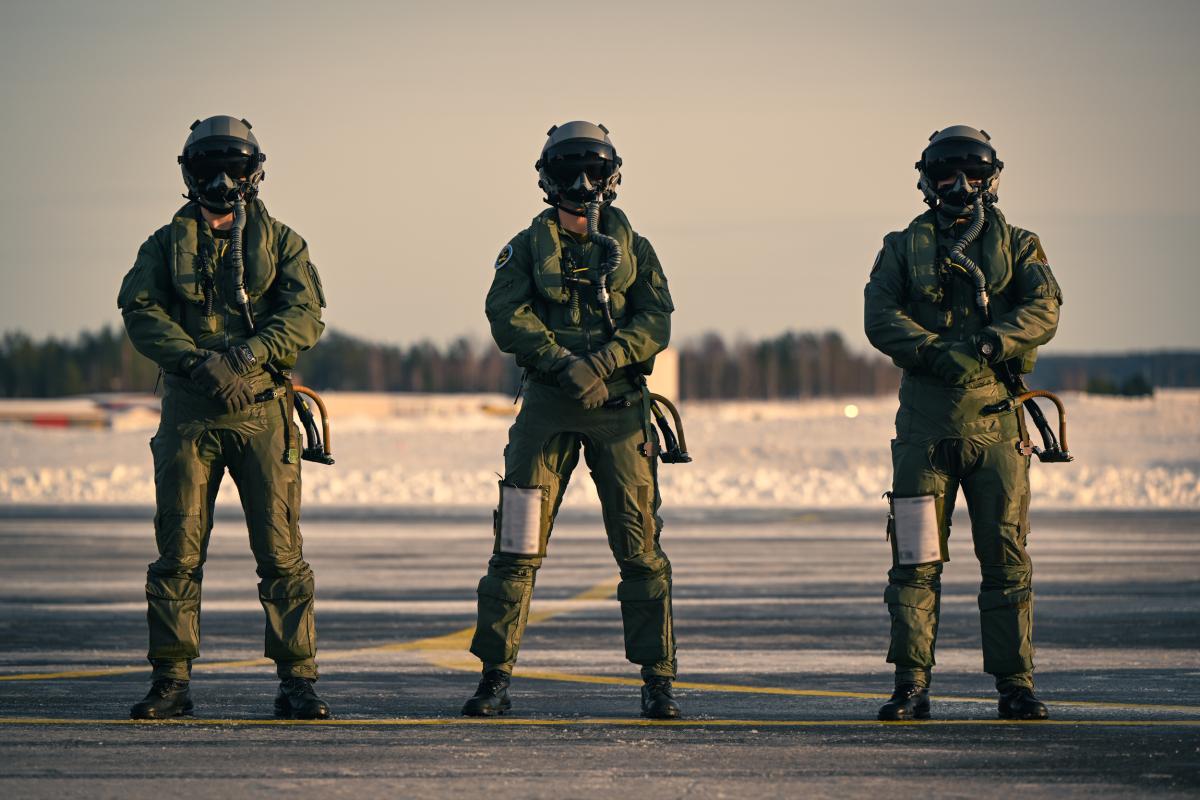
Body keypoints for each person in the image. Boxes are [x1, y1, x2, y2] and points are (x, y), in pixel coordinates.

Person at [461, 121, 680, 719]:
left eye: (592, 169)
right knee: (516, 544)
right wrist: (560, 362)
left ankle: (658, 681)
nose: (581, 184)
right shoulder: (525, 248)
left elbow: (655, 319)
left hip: (620, 412)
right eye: (567, 171)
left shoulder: (636, 250)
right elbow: (505, 314)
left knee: (640, 549)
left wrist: (606, 360)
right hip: (549, 412)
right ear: (546, 177)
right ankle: (494, 678)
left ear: (611, 175)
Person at [118, 116, 330, 720]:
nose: (221, 180)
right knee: (178, 552)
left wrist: (247, 355)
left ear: (252, 172)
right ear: (190, 173)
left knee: (281, 554)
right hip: (191, 414)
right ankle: (171, 680)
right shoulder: (163, 245)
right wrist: (195, 361)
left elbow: (306, 315)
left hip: (262, 413)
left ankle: (297, 682)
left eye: (232, 167)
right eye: (208, 166)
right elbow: (140, 310)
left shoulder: (283, 242)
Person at [864, 126, 1063, 721]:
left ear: (990, 178)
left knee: (1006, 557)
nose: (959, 186)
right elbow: (880, 314)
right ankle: (911, 683)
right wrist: (932, 351)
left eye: (971, 174)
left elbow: (1044, 308)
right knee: (916, 559)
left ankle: (1016, 685)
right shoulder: (902, 247)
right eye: (947, 173)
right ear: (927, 178)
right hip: (925, 433)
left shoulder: (1021, 246)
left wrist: (986, 345)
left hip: (997, 427)